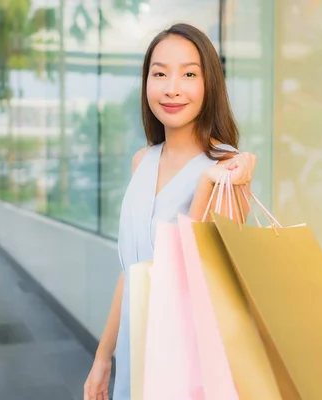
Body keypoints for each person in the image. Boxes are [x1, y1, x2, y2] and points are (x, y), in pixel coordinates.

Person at [83, 23, 257, 400]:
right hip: (135, 350)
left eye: (189, 74)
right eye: (159, 73)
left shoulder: (228, 170)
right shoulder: (142, 160)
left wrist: (207, 185)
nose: (172, 87)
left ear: (209, 83)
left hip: (188, 362)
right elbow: (131, 272)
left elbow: (201, 281)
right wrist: (102, 358)